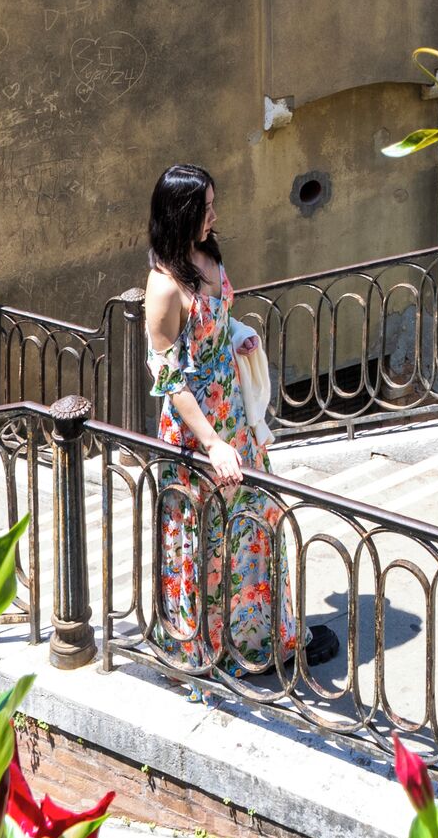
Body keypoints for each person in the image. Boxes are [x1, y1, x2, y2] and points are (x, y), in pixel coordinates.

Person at [140, 166, 330, 669]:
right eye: (205, 209)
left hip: (235, 419)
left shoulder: (208, 255)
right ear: (180, 214)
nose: (214, 216)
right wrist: (212, 444)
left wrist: (238, 333)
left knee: (254, 525)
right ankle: (203, 647)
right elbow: (169, 379)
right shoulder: (162, 287)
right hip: (198, 433)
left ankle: (257, 640)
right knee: (203, 537)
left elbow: (216, 320)